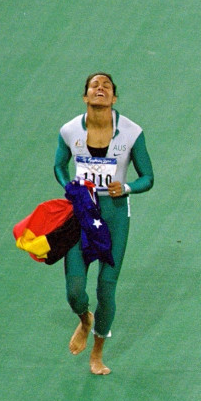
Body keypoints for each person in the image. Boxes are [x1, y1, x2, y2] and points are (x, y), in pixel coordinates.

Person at [54, 72, 154, 375]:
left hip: (113, 215)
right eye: (94, 86)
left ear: (113, 98)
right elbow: (59, 165)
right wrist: (69, 186)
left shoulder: (132, 132)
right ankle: (85, 319)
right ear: (86, 97)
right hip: (80, 213)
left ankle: (97, 352)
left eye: (106, 86)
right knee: (74, 290)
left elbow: (148, 177)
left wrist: (126, 188)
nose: (100, 88)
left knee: (106, 289)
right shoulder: (70, 130)